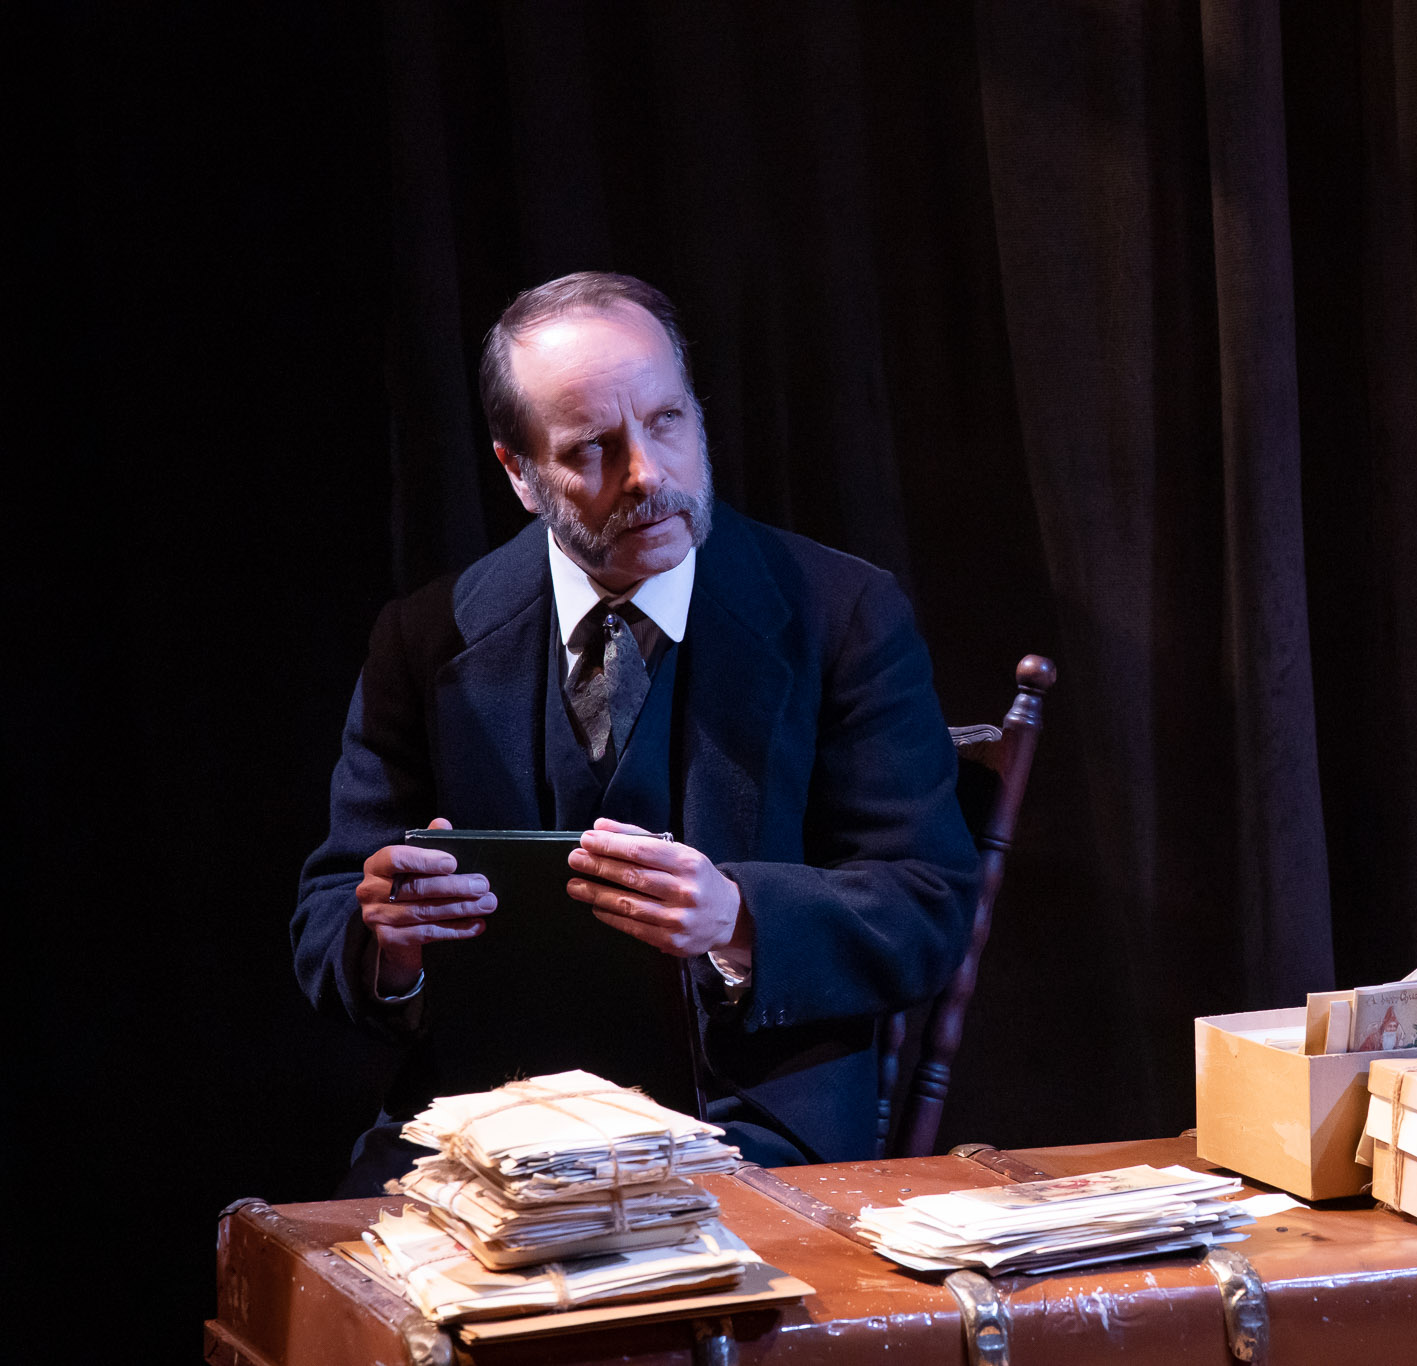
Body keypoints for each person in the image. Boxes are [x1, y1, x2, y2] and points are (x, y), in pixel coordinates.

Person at [292, 272, 978, 1188]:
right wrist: (395, 944)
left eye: (667, 422)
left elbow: (928, 899)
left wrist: (738, 918)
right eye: (593, 448)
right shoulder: (427, 637)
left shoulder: (841, 613)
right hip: (488, 1123)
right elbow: (330, 914)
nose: (648, 475)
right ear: (519, 474)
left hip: (749, 1115)